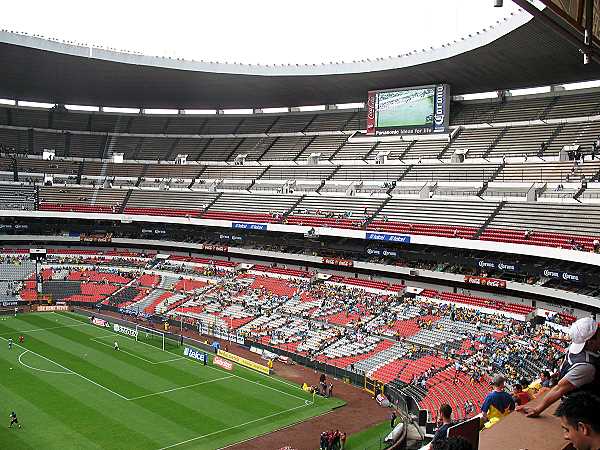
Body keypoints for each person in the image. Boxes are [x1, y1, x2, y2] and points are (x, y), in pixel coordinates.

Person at [522, 317, 600, 418]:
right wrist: (538, 409)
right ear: (590, 342)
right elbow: (559, 388)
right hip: (584, 410)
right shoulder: (585, 366)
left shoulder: (576, 351)